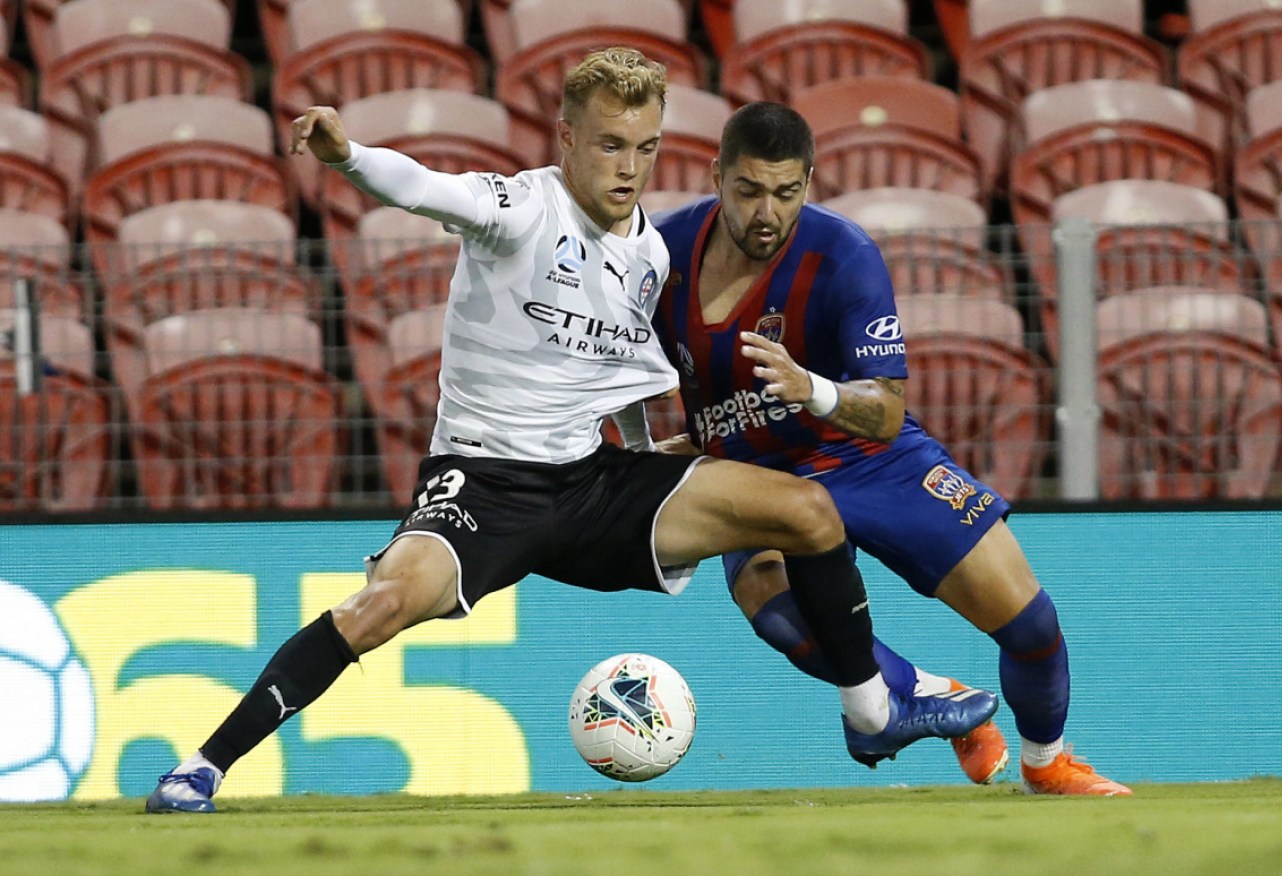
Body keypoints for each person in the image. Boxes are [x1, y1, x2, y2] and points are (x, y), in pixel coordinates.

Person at [144, 49, 998, 814]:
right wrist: (346, 155)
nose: (628, 168)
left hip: (590, 485)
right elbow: (422, 187)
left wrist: (653, 447)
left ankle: (872, 712)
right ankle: (204, 767)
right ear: (565, 138)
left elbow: (620, 372)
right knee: (379, 607)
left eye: (645, 148)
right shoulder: (518, 208)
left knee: (809, 511)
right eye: (609, 145)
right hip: (485, 486)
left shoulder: (650, 255)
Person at [650, 101, 1131, 796]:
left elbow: (884, 411)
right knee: (771, 603)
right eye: (748, 190)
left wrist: (809, 387)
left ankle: (1045, 761)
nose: (766, 213)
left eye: (785, 193)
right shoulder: (660, 255)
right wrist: (660, 450)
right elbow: (614, 365)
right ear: (716, 176)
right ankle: (919, 697)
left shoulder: (842, 255)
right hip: (758, 474)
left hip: (868, 457)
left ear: (808, 182)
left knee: (1030, 623)